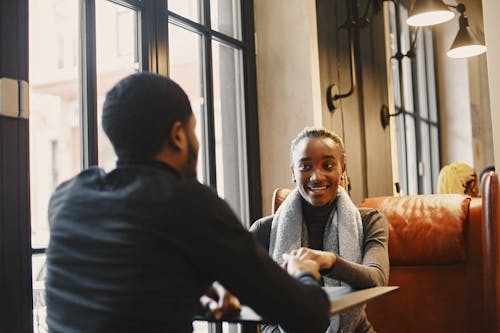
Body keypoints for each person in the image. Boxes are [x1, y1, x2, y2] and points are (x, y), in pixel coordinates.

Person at [45, 73, 331, 333]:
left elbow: (112, 290)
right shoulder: (188, 202)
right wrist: (303, 274)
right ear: (178, 135)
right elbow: (307, 317)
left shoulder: (66, 197)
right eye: (194, 129)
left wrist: (193, 291)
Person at [250, 127, 389, 333]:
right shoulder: (264, 230)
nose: (316, 177)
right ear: (293, 173)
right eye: (306, 166)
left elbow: (378, 279)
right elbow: (248, 296)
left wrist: (329, 261)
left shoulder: (370, 221)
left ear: (342, 169)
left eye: (328, 165)